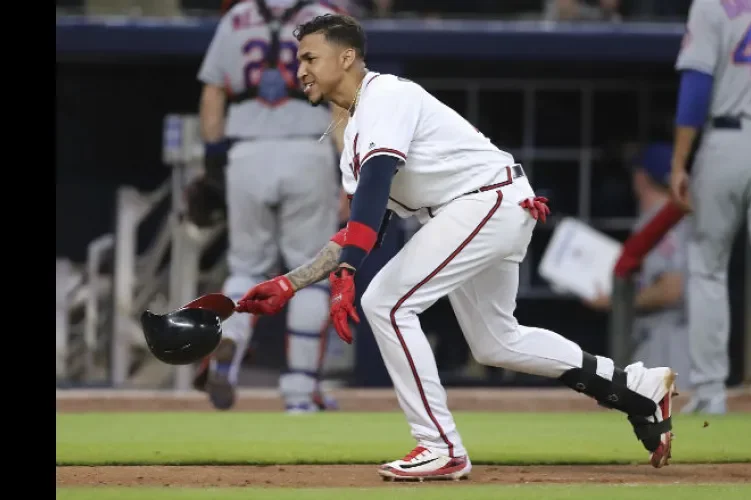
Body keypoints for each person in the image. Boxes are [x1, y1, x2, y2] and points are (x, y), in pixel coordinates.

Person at [235, 13, 678, 481]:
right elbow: (364, 226)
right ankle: (635, 386)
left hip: (482, 202)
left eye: (309, 57)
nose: (299, 69)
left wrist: (349, 272)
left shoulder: (384, 93)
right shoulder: (354, 136)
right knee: (496, 341)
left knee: (386, 303)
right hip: (483, 209)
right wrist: (291, 282)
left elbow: (376, 186)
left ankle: (439, 445)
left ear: (346, 58)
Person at [190, 0, 352, 413]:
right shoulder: (325, 16)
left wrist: (212, 164)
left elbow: (212, 95)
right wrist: (351, 170)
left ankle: (230, 347)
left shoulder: (237, 15)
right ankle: (299, 392)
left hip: (247, 154)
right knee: (311, 274)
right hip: (307, 150)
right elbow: (339, 97)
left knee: (246, 269)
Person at [670, 0, 751, 415]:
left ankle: (709, 393)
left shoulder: (711, 4)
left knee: (707, 266)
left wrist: (679, 161)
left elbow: (697, 85)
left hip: (727, 140)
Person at [584, 143, 691, 392]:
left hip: (666, 342)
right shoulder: (678, 217)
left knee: (659, 418)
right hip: (670, 337)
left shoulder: (662, 221)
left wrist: (614, 301)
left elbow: (671, 289)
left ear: (641, 178)